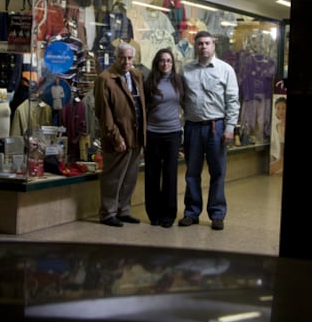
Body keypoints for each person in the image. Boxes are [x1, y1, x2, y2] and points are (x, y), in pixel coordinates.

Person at [179, 30, 240, 231]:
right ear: (195, 46)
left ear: (213, 46)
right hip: (193, 127)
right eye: (200, 44)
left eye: (207, 43)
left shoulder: (226, 70)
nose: (203, 47)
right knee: (192, 173)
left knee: (218, 172)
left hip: (217, 127)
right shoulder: (186, 70)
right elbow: (180, 99)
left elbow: (232, 101)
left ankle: (217, 214)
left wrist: (230, 128)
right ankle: (191, 213)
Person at [94, 41, 146, 227]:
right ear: (116, 58)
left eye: (129, 58)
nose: (126, 61)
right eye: (122, 57)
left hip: (136, 136)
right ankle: (108, 213)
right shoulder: (105, 79)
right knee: (113, 177)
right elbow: (103, 112)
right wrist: (116, 137)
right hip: (118, 138)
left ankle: (123, 210)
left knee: (130, 177)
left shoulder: (137, 76)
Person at [143, 48, 184, 228]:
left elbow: (185, 103)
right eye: (161, 60)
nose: (165, 63)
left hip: (173, 133)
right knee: (152, 174)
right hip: (152, 133)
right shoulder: (149, 82)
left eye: (168, 60)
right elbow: (143, 109)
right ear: (156, 63)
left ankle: (169, 214)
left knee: (170, 175)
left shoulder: (179, 82)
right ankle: (154, 214)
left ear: (172, 63)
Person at [269, 95, 286, 175]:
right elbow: (281, 157)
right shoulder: (277, 126)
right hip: (281, 161)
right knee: (268, 171)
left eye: (283, 108)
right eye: (278, 108)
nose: (281, 111)